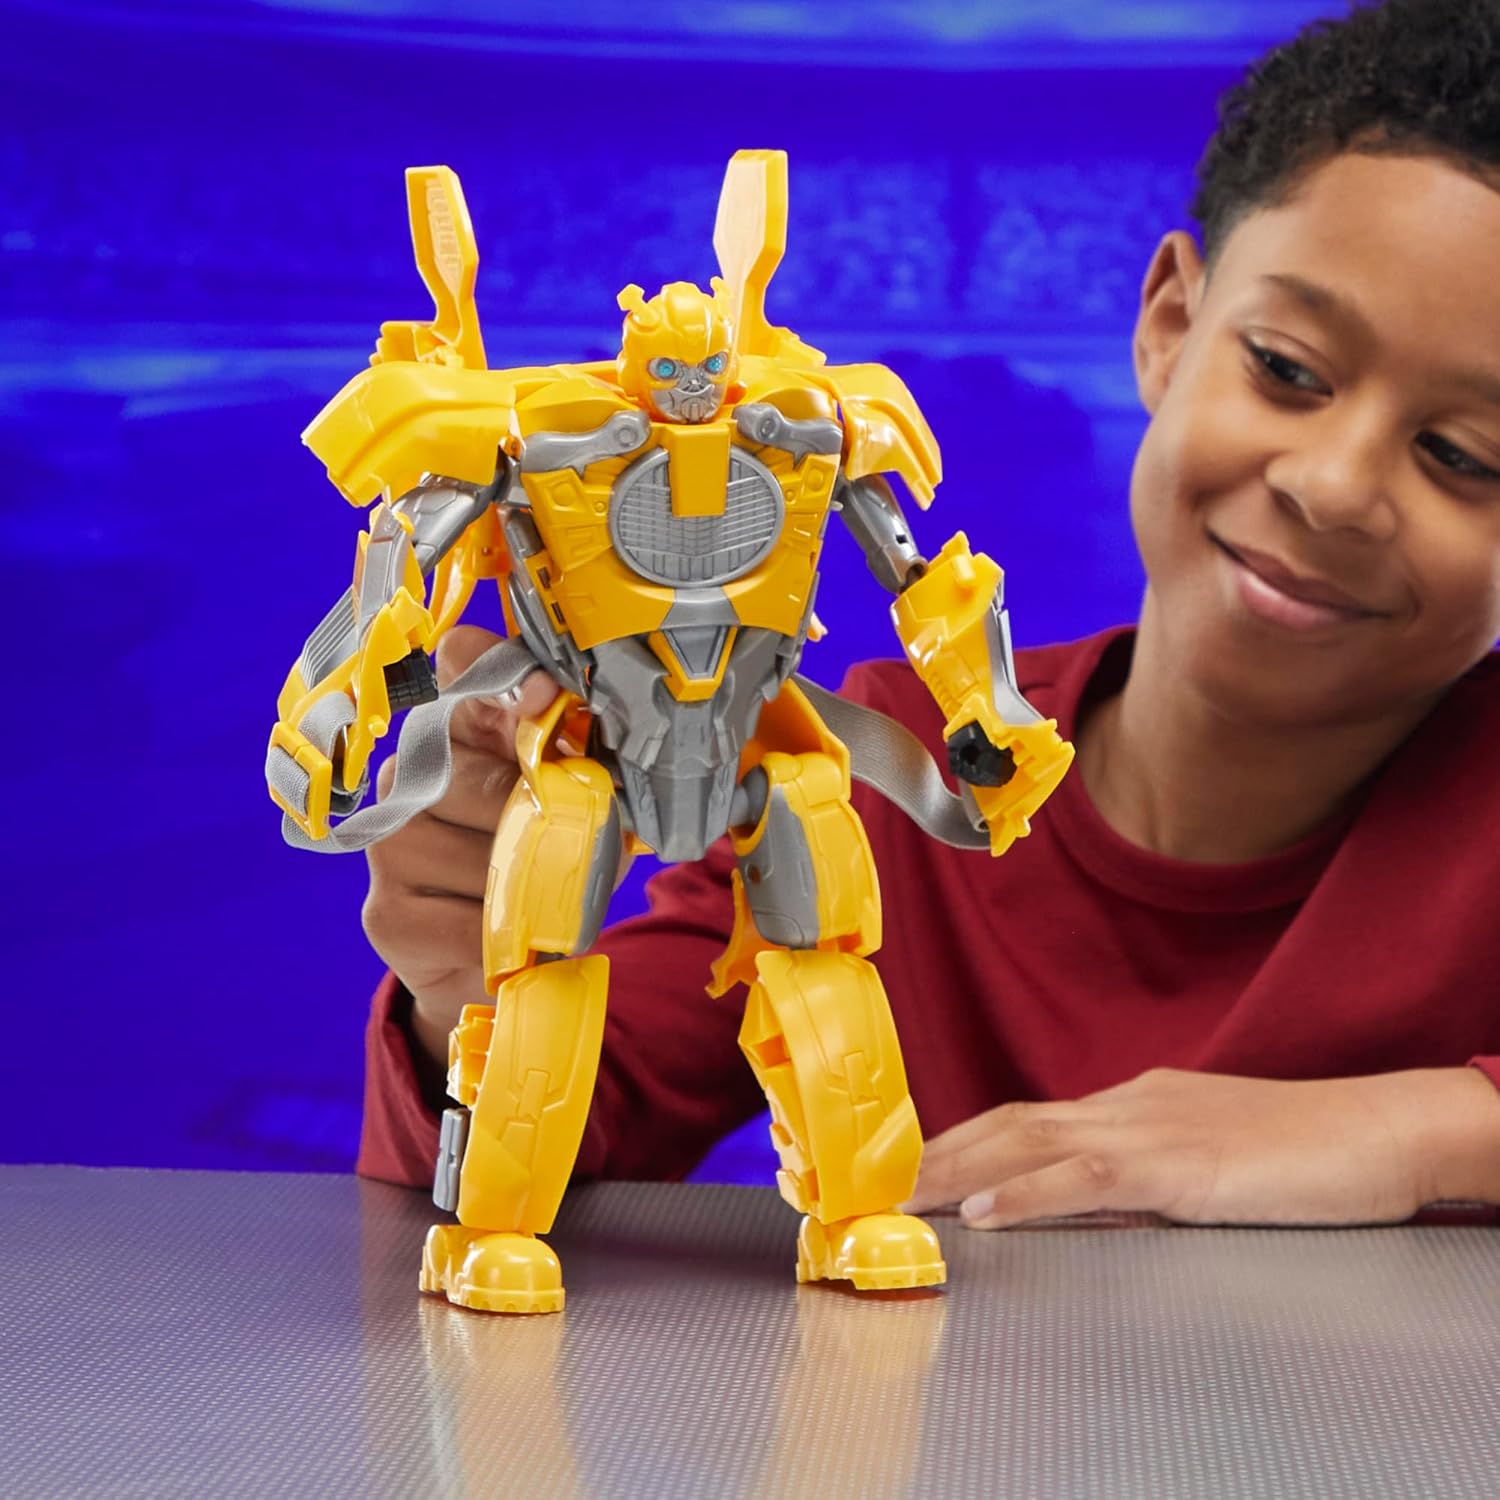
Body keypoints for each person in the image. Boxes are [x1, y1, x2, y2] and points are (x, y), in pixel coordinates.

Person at [356, 0, 1500, 1228]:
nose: (1334, 488)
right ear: (1171, 324)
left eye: (1466, 453)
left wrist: (1418, 1132)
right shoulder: (879, 774)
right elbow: (562, 1123)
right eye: (1285, 368)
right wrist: (464, 984)